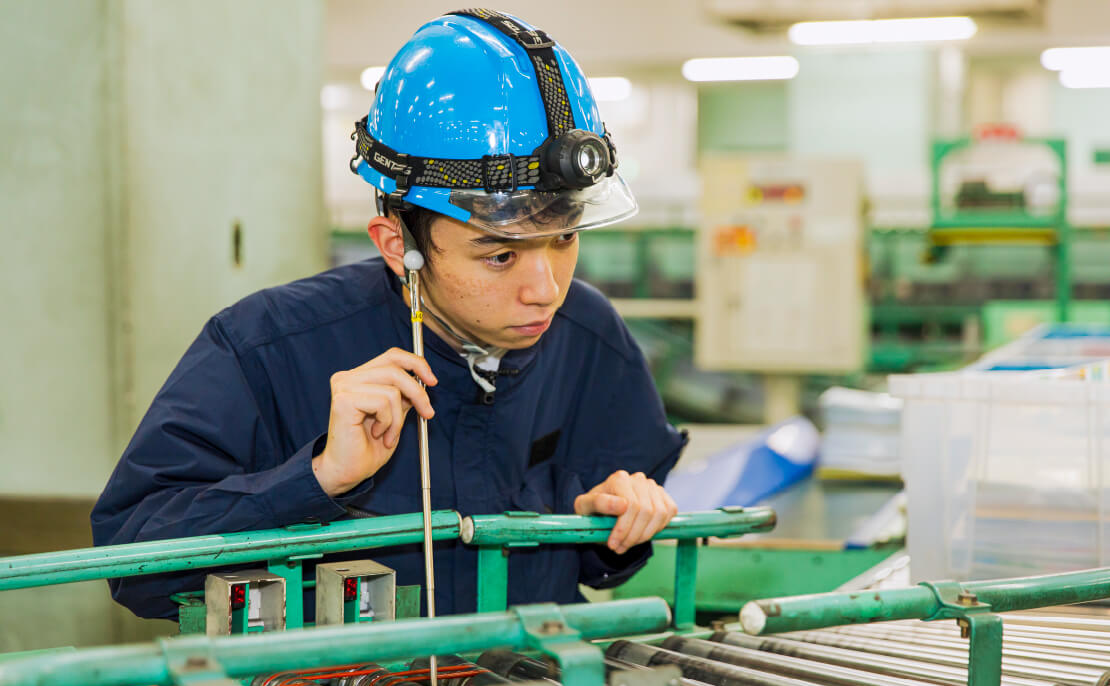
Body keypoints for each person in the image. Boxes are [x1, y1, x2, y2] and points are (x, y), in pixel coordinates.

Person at [91, 9, 687, 621]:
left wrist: (608, 530)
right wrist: (318, 478)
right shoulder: (264, 348)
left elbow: (598, 557)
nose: (545, 290)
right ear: (395, 243)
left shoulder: (590, 338)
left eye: (564, 239)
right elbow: (131, 563)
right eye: (501, 253)